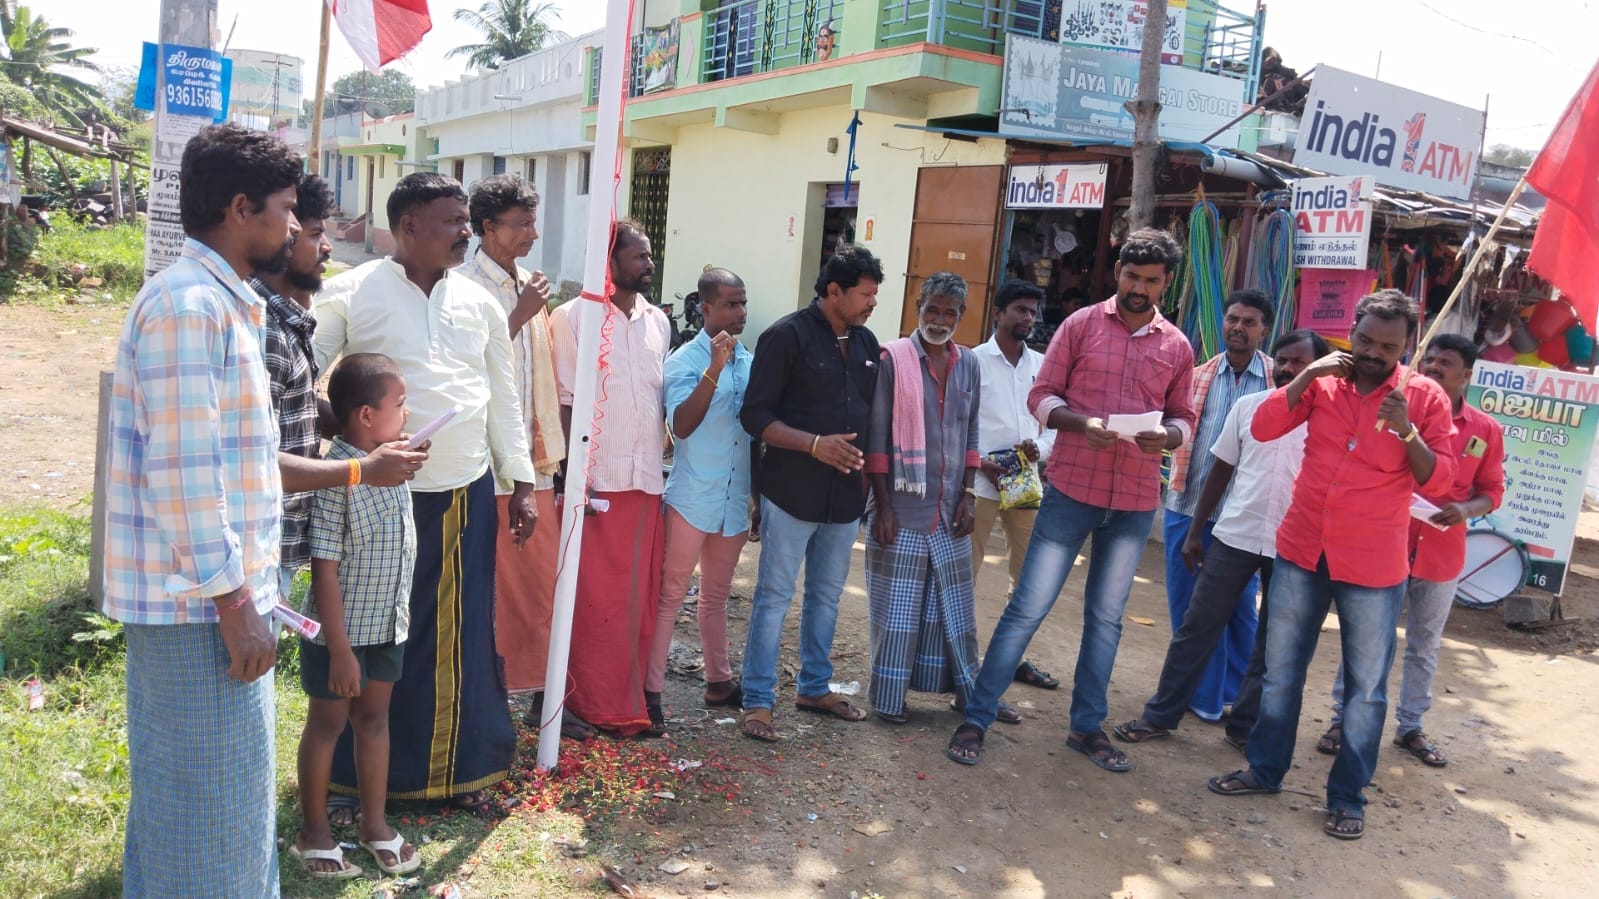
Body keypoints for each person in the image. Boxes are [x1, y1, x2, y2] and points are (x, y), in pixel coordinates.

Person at [103, 123, 300, 898]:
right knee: (208, 816)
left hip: (212, 601)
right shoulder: (189, 305)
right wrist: (234, 600)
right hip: (200, 608)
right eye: (285, 208)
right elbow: (185, 472)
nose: (294, 225)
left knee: (211, 807)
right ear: (241, 208)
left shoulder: (218, 300)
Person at [314, 172, 537, 809]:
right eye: (453, 221)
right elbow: (303, 383)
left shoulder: (479, 301)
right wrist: (358, 448)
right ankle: (358, 783)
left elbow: (502, 398)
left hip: (466, 490)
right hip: (381, 498)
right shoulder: (352, 292)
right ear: (408, 226)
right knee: (379, 634)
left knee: (459, 639)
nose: (466, 232)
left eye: (467, 220)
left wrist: (521, 481)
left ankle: (458, 775)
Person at [1207, 289, 1457, 842]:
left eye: (1387, 347)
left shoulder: (1424, 397)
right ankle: (1264, 770)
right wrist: (1306, 374)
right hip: (1302, 549)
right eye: (1364, 340)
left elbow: (1440, 481)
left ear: (1406, 346)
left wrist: (1407, 430)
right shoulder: (1323, 382)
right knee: (1280, 672)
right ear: (1352, 332)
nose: (1372, 353)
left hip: (1373, 564)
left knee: (1365, 690)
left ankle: (1347, 797)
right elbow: (1264, 428)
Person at [947, 228, 1197, 771]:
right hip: (1071, 489)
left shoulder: (1176, 346)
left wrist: (1168, 436)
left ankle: (1086, 727)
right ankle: (977, 716)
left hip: (1133, 502)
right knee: (1027, 608)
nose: (1139, 288)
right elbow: (1042, 397)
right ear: (1118, 272)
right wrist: (1081, 424)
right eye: (1132, 276)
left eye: (1151, 281)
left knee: (1106, 619)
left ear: (1166, 283)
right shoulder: (1081, 326)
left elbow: (1185, 417)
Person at [1112, 329, 1327, 750]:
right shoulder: (1250, 407)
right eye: (1283, 360)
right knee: (1197, 627)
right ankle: (1160, 716)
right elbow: (1220, 471)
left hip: (1295, 543)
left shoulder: (1331, 419)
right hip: (1236, 534)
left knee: (1274, 641)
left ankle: (1244, 728)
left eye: (1300, 362)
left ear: (1319, 367)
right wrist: (1195, 532)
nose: (1289, 369)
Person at [1318, 333, 1504, 768]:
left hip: (1441, 555)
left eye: (1446, 363)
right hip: (1386, 546)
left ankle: (1411, 727)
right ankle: (1342, 719)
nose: (1434, 367)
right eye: (1430, 359)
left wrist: (1465, 509)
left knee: (1424, 644)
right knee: (1368, 638)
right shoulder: (1394, 412)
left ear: (1467, 375)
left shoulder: (1485, 430)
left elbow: (1492, 491)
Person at [253, 172, 427, 619]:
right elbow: (251, 460)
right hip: (255, 545)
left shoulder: (289, 320)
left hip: (276, 539)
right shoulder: (263, 329)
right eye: (314, 234)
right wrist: (362, 468)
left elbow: (294, 407)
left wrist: (367, 434)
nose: (327, 247)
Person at [454, 174, 588, 738]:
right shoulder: (463, 286)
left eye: (534, 222)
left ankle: (541, 696)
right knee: (489, 591)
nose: (533, 234)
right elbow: (468, 366)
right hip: (486, 465)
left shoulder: (525, 284)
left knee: (540, 587)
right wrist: (523, 312)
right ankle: (484, 704)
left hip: (534, 465)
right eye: (521, 224)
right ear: (487, 228)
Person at [738, 245, 883, 742]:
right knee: (774, 597)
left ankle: (814, 687)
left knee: (826, 596)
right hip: (791, 492)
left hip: (844, 498)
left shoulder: (866, 343)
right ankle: (758, 700)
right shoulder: (785, 337)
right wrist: (814, 445)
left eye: (875, 295)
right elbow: (754, 416)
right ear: (834, 291)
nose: (872, 303)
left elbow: (870, 417)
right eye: (866, 294)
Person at [292, 354, 422, 879]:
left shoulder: (391, 464)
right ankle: (314, 831)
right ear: (367, 415)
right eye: (400, 404)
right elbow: (324, 573)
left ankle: (374, 824)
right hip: (338, 639)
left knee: (374, 720)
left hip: (387, 626)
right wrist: (340, 651)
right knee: (326, 725)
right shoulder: (336, 478)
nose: (407, 415)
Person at [864, 273, 1012, 725]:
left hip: (951, 509)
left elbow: (971, 433)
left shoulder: (968, 365)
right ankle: (889, 700)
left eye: (950, 313)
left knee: (955, 611)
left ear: (961, 316)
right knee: (897, 612)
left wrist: (968, 493)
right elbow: (877, 438)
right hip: (901, 509)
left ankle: (969, 696)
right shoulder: (892, 359)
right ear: (918, 307)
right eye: (932, 309)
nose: (939, 320)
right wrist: (883, 506)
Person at [548, 219, 672, 736]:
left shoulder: (657, 322)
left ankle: (628, 703)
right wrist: (572, 477)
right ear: (609, 260)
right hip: (595, 485)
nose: (649, 263)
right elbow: (564, 402)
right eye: (639, 255)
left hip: (645, 483)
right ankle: (581, 703)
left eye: (649, 254)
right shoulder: (572, 318)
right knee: (591, 600)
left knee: (634, 602)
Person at [644, 268, 757, 735]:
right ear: (706, 308)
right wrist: (713, 368)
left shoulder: (748, 360)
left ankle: (719, 681)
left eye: (743, 302)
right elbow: (682, 426)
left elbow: (754, 434)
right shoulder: (683, 361)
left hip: (734, 499)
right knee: (671, 596)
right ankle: (650, 692)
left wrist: (756, 497)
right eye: (730, 304)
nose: (740, 312)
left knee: (715, 596)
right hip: (692, 497)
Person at [1161, 289, 1274, 721]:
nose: (1238, 328)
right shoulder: (1196, 376)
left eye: (1249, 322)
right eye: (1232, 319)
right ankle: (1201, 696)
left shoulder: (1278, 383)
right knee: (1188, 605)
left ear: (1264, 330)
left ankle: (1234, 696)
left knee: (1241, 609)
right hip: (1187, 505)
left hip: (1244, 516)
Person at [969, 280, 1059, 692]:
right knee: (965, 574)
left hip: (1026, 485)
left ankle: (1011, 658)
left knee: (1027, 578)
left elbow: (1053, 422)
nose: (1028, 318)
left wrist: (1040, 449)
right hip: (979, 483)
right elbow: (957, 421)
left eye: (1032, 312)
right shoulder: (973, 362)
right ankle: (962, 659)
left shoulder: (1043, 365)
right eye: (1020, 309)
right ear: (998, 313)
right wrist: (978, 461)